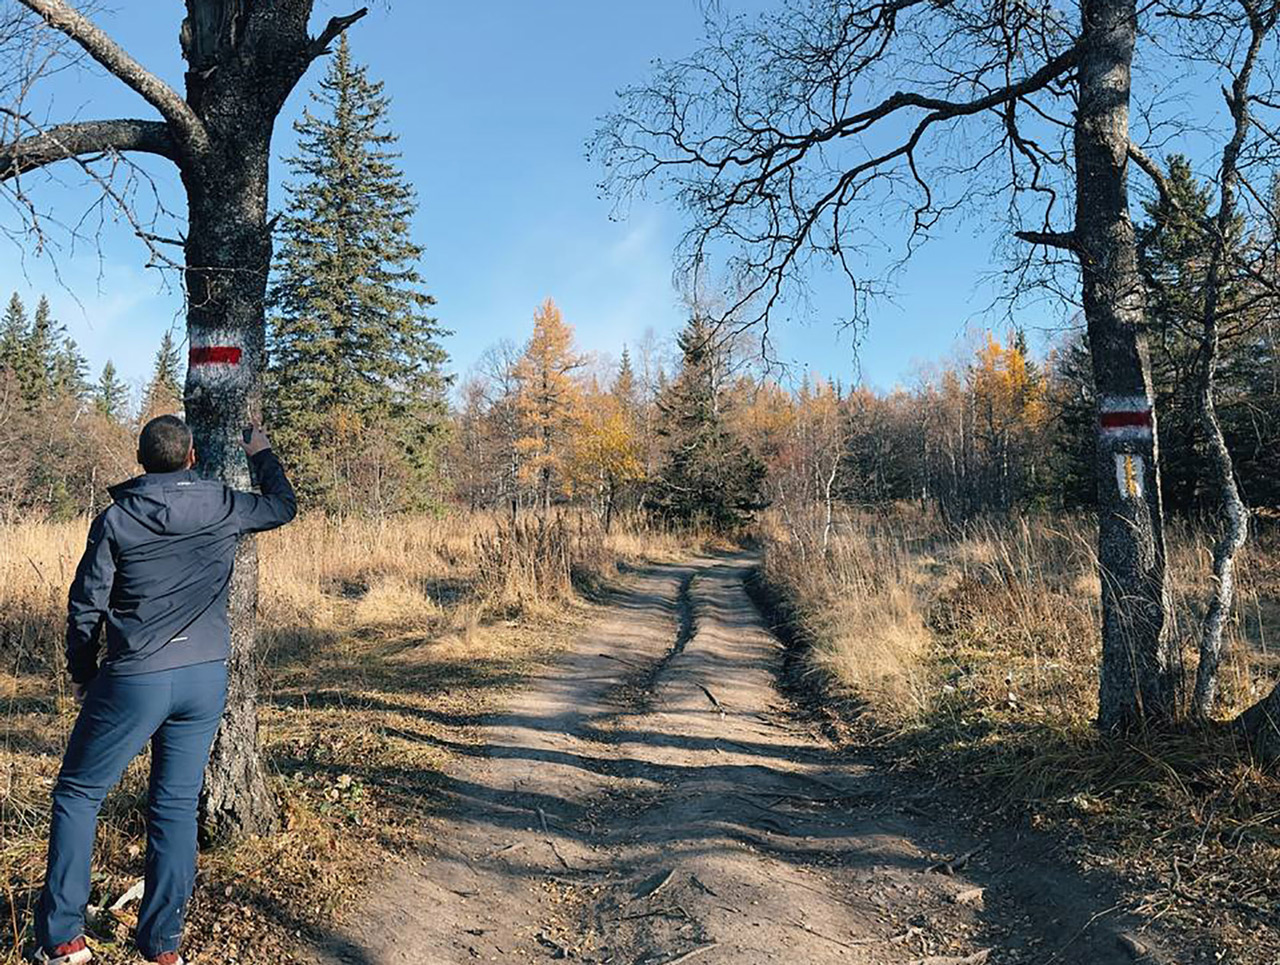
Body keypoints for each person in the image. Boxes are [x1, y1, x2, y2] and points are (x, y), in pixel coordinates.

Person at [32, 416, 297, 965]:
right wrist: (261, 451)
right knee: (175, 806)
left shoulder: (117, 518)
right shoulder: (224, 504)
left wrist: (82, 672)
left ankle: (63, 939)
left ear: (141, 460)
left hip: (137, 677)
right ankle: (162, 946)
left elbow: (86, 606)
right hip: (204, 674)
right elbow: (282, 504)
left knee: (79, 795)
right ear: (193, 457)